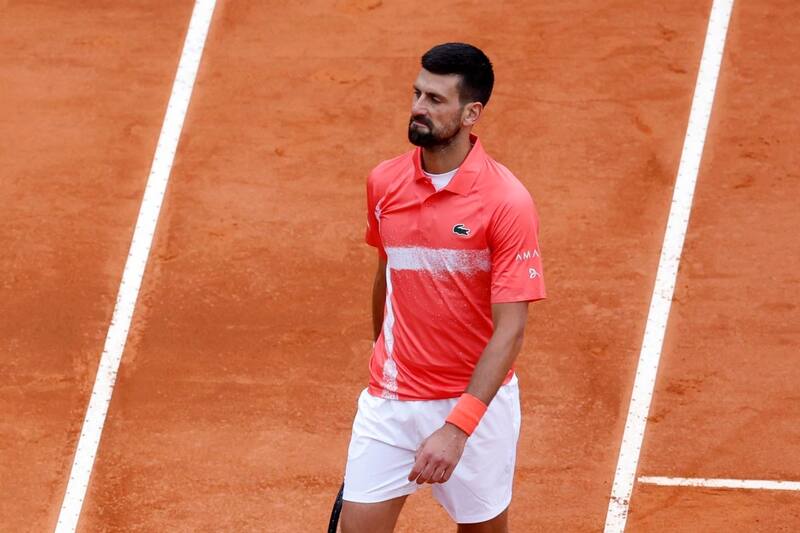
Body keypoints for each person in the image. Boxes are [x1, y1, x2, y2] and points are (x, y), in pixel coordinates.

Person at [340, 42, 546, 533]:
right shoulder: (385, 182)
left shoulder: (506, 202)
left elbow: (511, 329)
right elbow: (386, 270)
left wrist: (458, 428)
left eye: (435, 99)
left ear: (472, 112)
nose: (418, 108)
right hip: (392, 398)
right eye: (417, 94)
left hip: (474, 405)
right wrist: (385, 355)